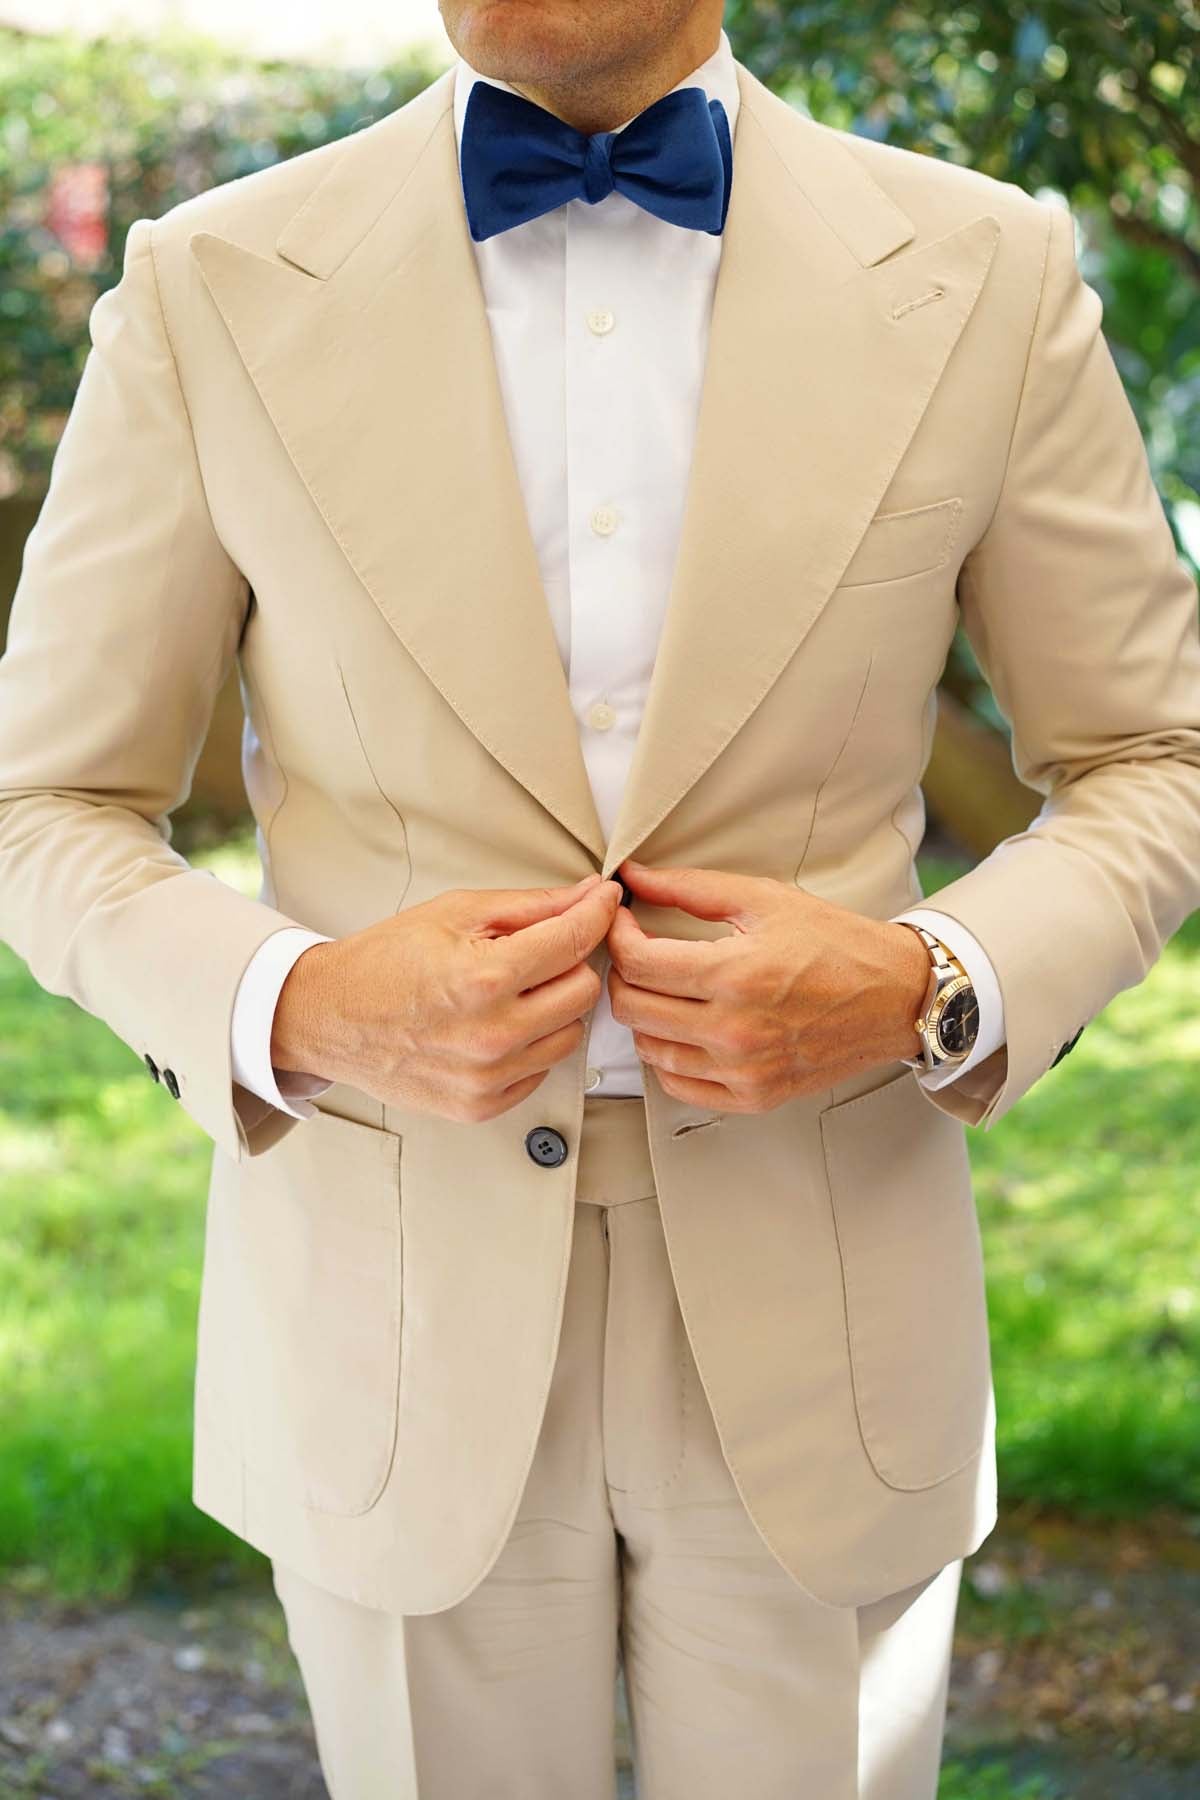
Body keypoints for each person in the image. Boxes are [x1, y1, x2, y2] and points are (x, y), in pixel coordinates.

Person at [1, 1, 1198, 1793]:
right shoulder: (208, 285)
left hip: (831, 1305)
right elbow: (48, 801)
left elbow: (1153, 754)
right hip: (386, 1316)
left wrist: (930, 982)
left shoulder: (986, 270)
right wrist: (301, 1005)